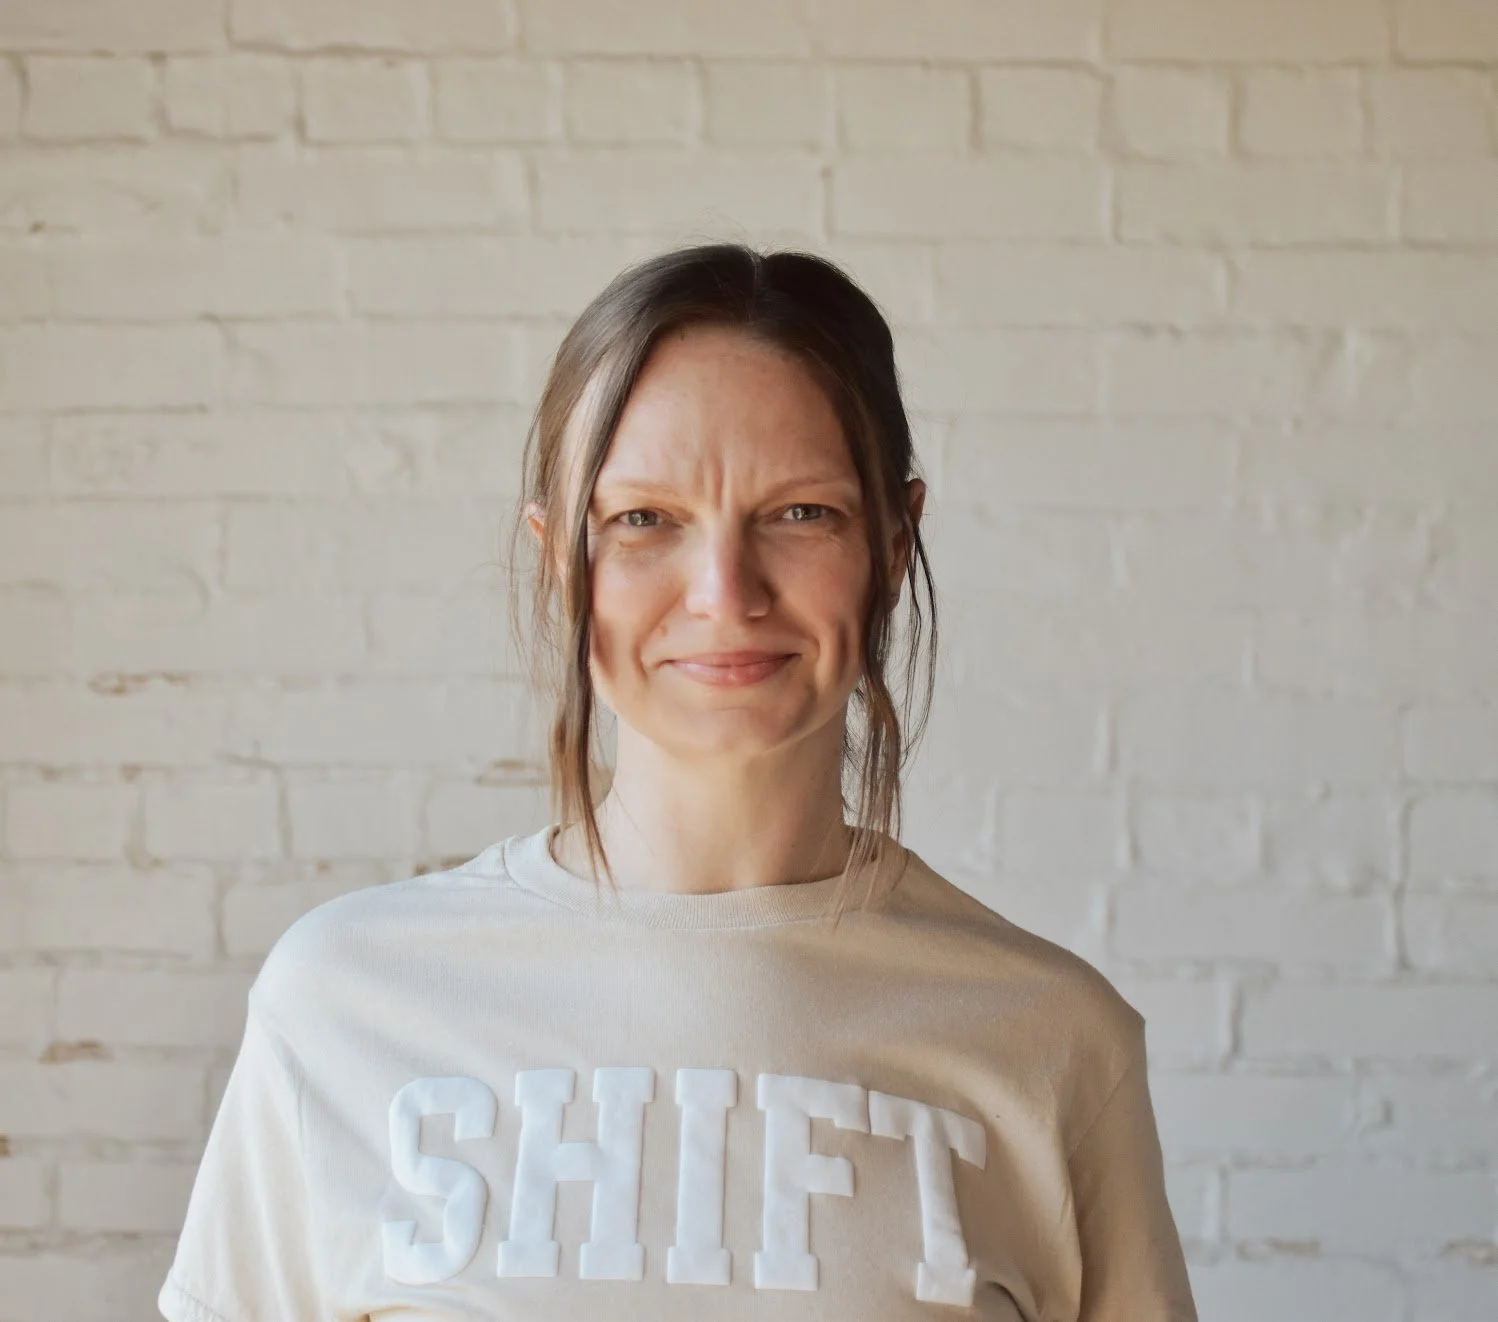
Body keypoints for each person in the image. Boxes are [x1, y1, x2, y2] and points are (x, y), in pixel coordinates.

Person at [158, 244, 1197, 1321]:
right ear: (557, 557)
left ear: (894, 544)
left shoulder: (1051, 1041)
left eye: (802, 512)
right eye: (643, 519)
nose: (724, 592)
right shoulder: (345, 1000)